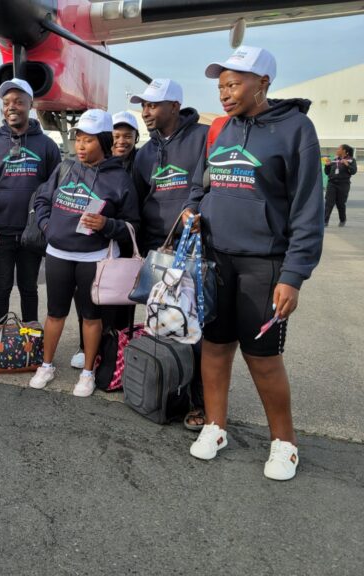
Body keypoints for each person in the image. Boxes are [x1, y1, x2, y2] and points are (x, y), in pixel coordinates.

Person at [183, 46, 324, 481]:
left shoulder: (296, 129)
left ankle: (284, 442)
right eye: (221, 85)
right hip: (216, 260)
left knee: (263, 357)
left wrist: (294, 276)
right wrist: (193, 208)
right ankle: (215, 426)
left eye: (234, 83)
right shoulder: (221, 129)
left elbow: (307, 209)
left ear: (263, 82)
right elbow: (201, 183)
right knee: (214, 346)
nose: (224, 93)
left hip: (264, 266)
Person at [29, 110, 140, 397]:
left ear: (103, 142)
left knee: (91, 318)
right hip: (58, 253)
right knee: (55, 314)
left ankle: (88, 372)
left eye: (88, 140)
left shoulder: (120, 179)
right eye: (78, 139)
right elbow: (42, 198)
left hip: (95, 258)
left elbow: (132, 225)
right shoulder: (65, 167)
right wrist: (46, 225)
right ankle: (47, 364)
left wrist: (107, 224)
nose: (80, 146)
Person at [130, 78, 209, 431]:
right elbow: (138, 198)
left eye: (153, 105)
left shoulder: (203, 137)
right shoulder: (145, 152)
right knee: (160, 323)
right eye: (143, 105)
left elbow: (210, 188)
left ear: (174, 106)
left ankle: (200, 402)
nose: (146, 112)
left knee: (193, 330)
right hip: (156, 252)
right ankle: (165, 392)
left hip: (192, 252)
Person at [0, 78, 61, 323]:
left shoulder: (47, 146)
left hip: (31, 233)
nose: (11, 107)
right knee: (1, 288)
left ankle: (30, 339)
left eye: (18, 102)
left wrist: (46, 224)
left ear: (30, 105)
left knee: (28, 289)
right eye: (6, 102)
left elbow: (56, 190)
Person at [70, 109, 141, 370]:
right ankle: (85, 346)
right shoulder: (91, 164)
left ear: (136, 137)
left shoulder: (140, 163)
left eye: (127, 136)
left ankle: (116, 352)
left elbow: (134, 215)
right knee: (88, 299)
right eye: (116, 135)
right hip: (95, 245)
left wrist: (114, 226)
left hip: (125, 241)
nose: (121, 140)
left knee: (120, 301)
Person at [324, 144, 357, 226]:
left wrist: (347, 164)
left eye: (339, 149)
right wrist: (327, 166)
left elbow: (353, 171)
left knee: (341, 203)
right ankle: (325, 221)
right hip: (332, 183)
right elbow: (327, 172)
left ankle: (343, 219)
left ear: (344, 151)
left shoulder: (351, 160)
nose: (337, 150)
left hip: (343, 184)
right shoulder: (334, 160)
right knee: (329, 203)